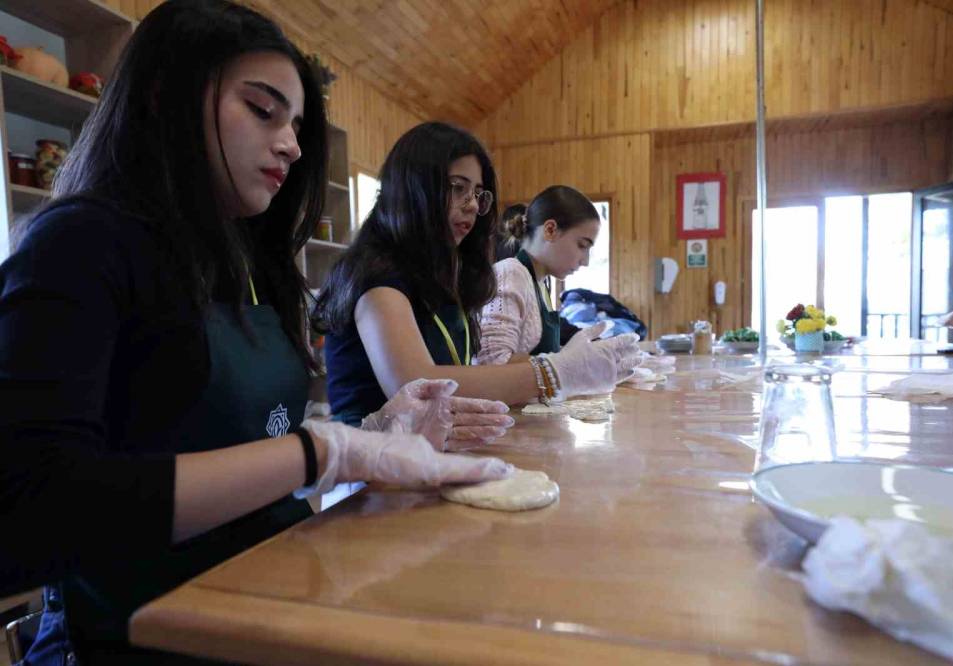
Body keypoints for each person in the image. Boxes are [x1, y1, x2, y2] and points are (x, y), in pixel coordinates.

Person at [0, 3, 511, 664]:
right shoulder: (80, 244)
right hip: (137, 634)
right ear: (166, 97)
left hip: (267, 599)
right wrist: (324, 452)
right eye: (263, 110)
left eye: (296, 124)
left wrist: (373, 435)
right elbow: (32, 514)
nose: (292, 145)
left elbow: (248, 452)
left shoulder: (250, 263)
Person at [314, 123, 641, 425]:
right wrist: (555, 372)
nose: (471, 204)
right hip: (368, 471)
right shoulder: (377, 277)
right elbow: (417, 385)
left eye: (477, 193)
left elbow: (462, 371)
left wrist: (565, 364)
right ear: (412, 189)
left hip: (429, 449)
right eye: (458, 188)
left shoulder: (444, 276)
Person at [478, 186, 600, 364]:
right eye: (582, 245)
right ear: (550, 230)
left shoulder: (542, 282)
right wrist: (567, 362)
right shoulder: (510, 273)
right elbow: (493, 361)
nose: (585, 261)